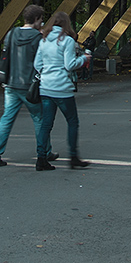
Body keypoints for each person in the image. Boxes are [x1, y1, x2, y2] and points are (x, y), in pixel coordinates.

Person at [0, 4, 54, 167]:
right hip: (30, 86)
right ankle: (45, 152)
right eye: (41, 19)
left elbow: (5, 55)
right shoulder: (38, 39)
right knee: (39, 119)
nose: (42, 22)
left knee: (7, 118)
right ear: (36, 19)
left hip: (11, 84)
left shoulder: (12, 33)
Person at [33, 11, 90, 171]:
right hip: (62, 88)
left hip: (46, 87)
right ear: (66, 24)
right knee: (72, 122)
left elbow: (37, 64)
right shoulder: (67, 41)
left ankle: (41, 158)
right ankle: (73, 157)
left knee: (46, 124)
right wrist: (83, 59)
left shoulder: (43, 40)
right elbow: (69, 65)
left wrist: (47, 73)